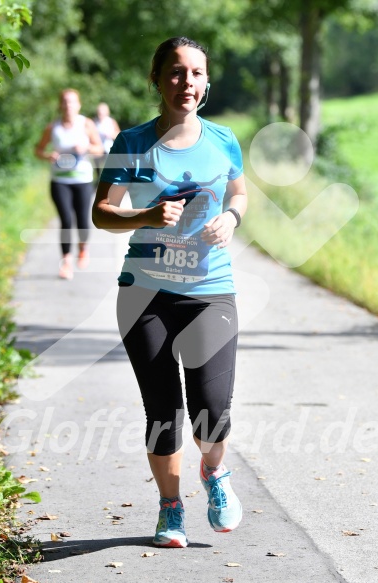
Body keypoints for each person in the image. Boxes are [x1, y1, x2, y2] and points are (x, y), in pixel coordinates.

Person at [92, 37, 247, 548]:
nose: (188, 83)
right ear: (156, 80)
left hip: (210, 291)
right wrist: (147, 216)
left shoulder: (224, 140)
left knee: (212, 408)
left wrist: (231, 215)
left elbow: (238, 190)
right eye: (176, 73)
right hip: (145, 295)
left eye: (197, 73)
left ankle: (214, 473)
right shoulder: (133, 142)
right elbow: (102, 211)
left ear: (206, 82)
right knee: (162, 410)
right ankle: (170, 508)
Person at [35, 88, 104, 280]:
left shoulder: (86, 124)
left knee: (82, 220)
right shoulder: (53, 127)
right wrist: (48, 155)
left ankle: (83, 247)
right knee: (66, 220)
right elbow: (38, 149)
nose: (68, 105)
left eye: (72, 101)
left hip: (82, 180)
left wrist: (87, 147)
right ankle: (66, 262)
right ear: (60, 105)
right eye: (65, 101)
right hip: (60, 181)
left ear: (79, 104)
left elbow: (99, 149)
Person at [94, 102, 121, 183]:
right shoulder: (94, 122)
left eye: (102, 112)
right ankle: (99, 181)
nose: (100, 114)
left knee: (109, 165)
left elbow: (119, 134)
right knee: (97, 166)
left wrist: (111, 135)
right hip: (98, 148)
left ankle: (110, 181)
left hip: (108, 147)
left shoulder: (111, 122)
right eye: (99, 112)